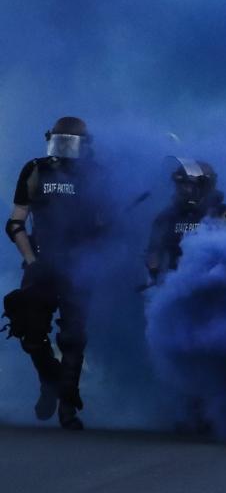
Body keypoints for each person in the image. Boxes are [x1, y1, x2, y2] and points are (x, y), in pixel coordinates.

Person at [2, 117, 105, 430]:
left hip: (79, 266)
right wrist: (32, 260)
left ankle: (67, 407)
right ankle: (51, 380)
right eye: (58, 142)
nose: (63, 150)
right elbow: (15, 222)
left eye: (69, 143)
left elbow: (107, 225)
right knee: (29, 330)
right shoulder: (36, 169)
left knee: (73, 336)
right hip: (43, 262)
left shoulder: (97, 176)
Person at [144, 157, 226, 285]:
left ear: (205, 187)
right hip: (178, 288)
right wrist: (154, 274)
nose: (182, 190)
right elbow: (154, 250)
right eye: (180, 185)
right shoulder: (166, 218)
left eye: (188, 186)